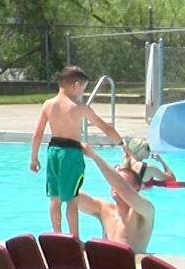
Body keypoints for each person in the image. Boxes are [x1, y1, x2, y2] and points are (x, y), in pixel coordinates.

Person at [29, 65, 126, 240]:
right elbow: (104, 127)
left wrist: (33, 158)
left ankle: (57, 235)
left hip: (53, 151)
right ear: (75, 85)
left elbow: (37, 134)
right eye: (83, 88)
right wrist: (121, 142)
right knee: (71, 199)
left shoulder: (48, 105)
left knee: (54, 197)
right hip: (71, 153)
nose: (82, 92)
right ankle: (74, 238)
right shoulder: (80, 107)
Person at [76, 143, 155, 254]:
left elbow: (123, 189)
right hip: (105, 265)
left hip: (130, 267)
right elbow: (72, 196)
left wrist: (94, 156)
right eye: (112, 183)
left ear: (136, 189)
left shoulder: (144, 211)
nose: (114, 186)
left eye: (118, 182)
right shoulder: (104, 208)